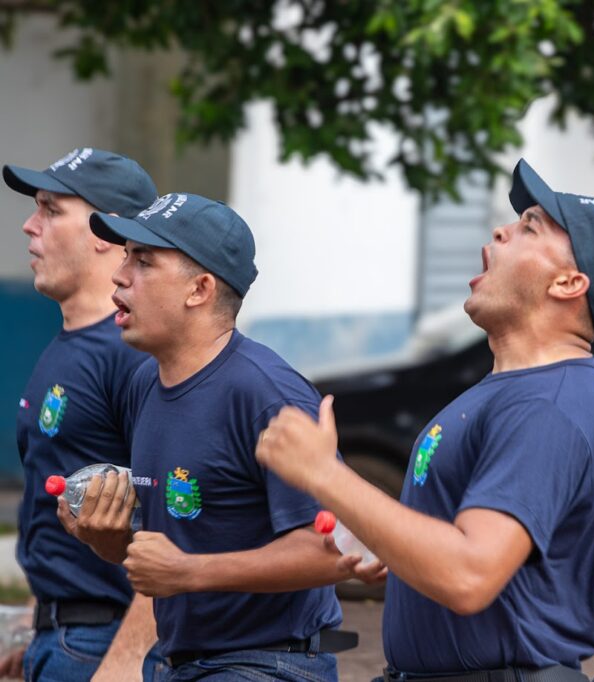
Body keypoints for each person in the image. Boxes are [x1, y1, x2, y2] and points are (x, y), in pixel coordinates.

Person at [254, 159, 594, 681]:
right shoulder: (519, 391)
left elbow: (470, 574)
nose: (500, 229)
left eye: (529, 226)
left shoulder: (546, 404)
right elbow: (472, 551)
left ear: (569, 282)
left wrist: (325, 475)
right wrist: (392, 544)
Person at [61, 192, 383, 681]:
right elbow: (169, 551)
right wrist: (109, 541)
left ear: (200, 289)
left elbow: (339, 552)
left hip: (266, 665)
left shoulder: (266, 394)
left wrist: (189, 572)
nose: (119, 275)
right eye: (125, 256)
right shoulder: (144, 383)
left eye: (144, 261)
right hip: (180, 664)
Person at [2, 148, 164, 681]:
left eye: (50, 209)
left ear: (104, 231)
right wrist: (37, 623)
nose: (29, 226)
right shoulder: (69, 343)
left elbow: (177, 529)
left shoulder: (133, 355)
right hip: (61, 637)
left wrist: (123, 663)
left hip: (106, 643)